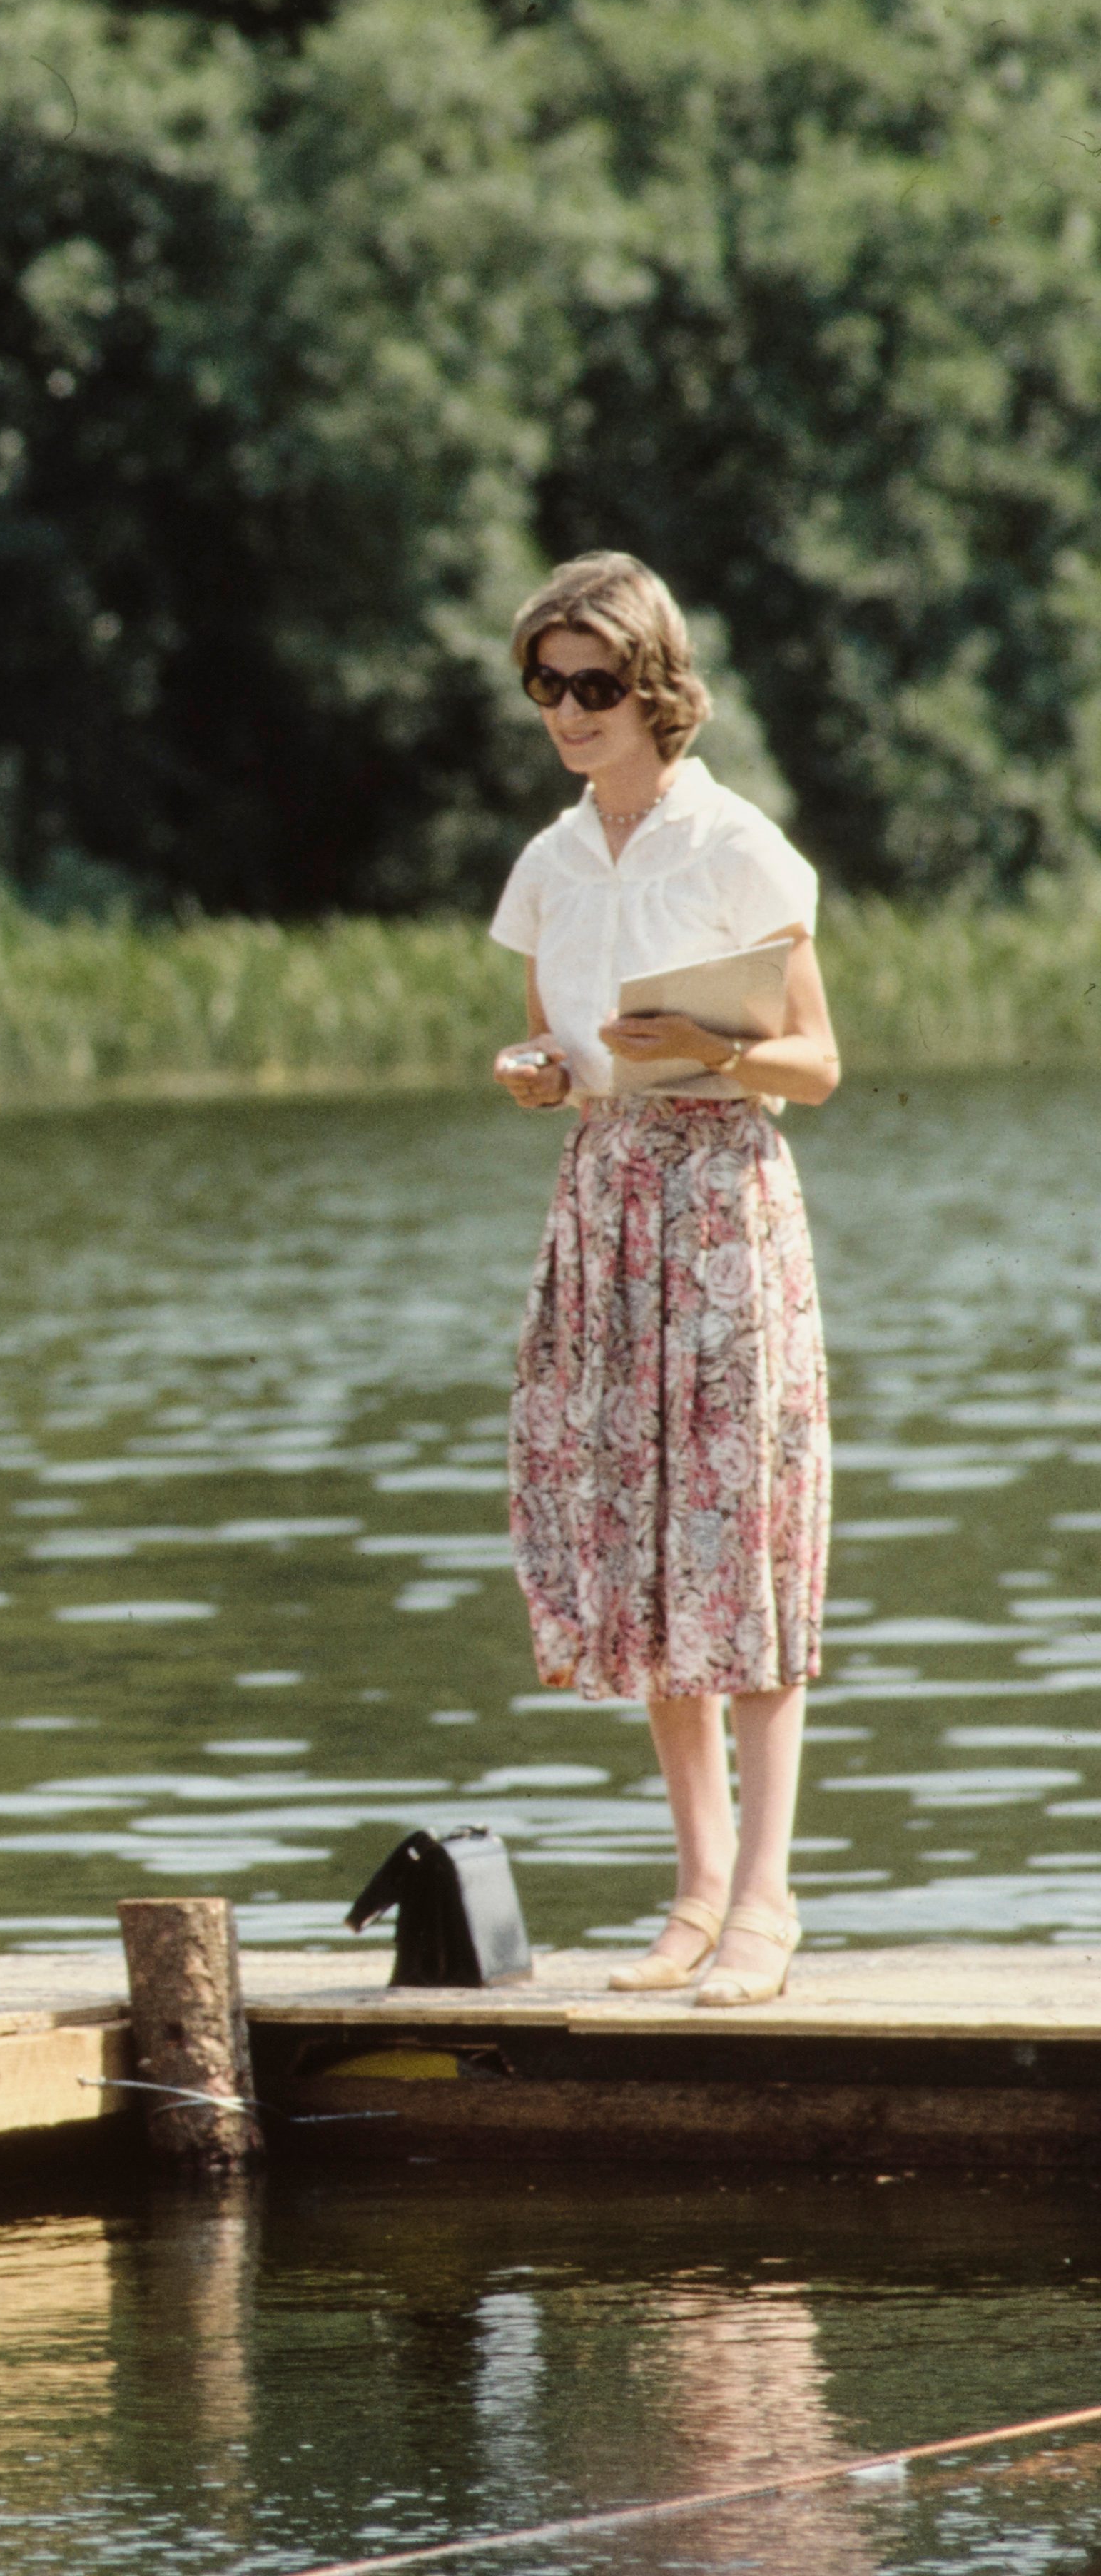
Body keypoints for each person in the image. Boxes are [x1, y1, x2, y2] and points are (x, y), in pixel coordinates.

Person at [487, 553, 841, 2009]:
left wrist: (713, 1054)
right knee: (638, 1547)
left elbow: (818, 1066)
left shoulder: (737, 846)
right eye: (546, 685)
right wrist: (536, 1075)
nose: (569, 712)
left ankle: (768, 1896)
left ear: (654, 688)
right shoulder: (550, 864)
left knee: (739, 1540)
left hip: (721, 1205)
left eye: (593, 684)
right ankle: (695, 1889)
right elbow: (562, 1057)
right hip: (605, 1205)